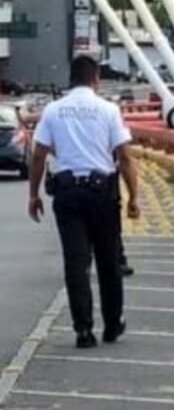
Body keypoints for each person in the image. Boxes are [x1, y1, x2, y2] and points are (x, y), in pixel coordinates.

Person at [28, 56, 140, 348]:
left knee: (76, 262)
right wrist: (134, 197)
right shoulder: (108, 110)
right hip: (101, 193)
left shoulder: (54, 110)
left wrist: (33, 194)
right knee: (108, 260)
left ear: (72, 78)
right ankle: (112, 324)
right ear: (96, 79)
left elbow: (39, 155)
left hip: (67, 193)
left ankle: (83, 329)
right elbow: (125, 156)